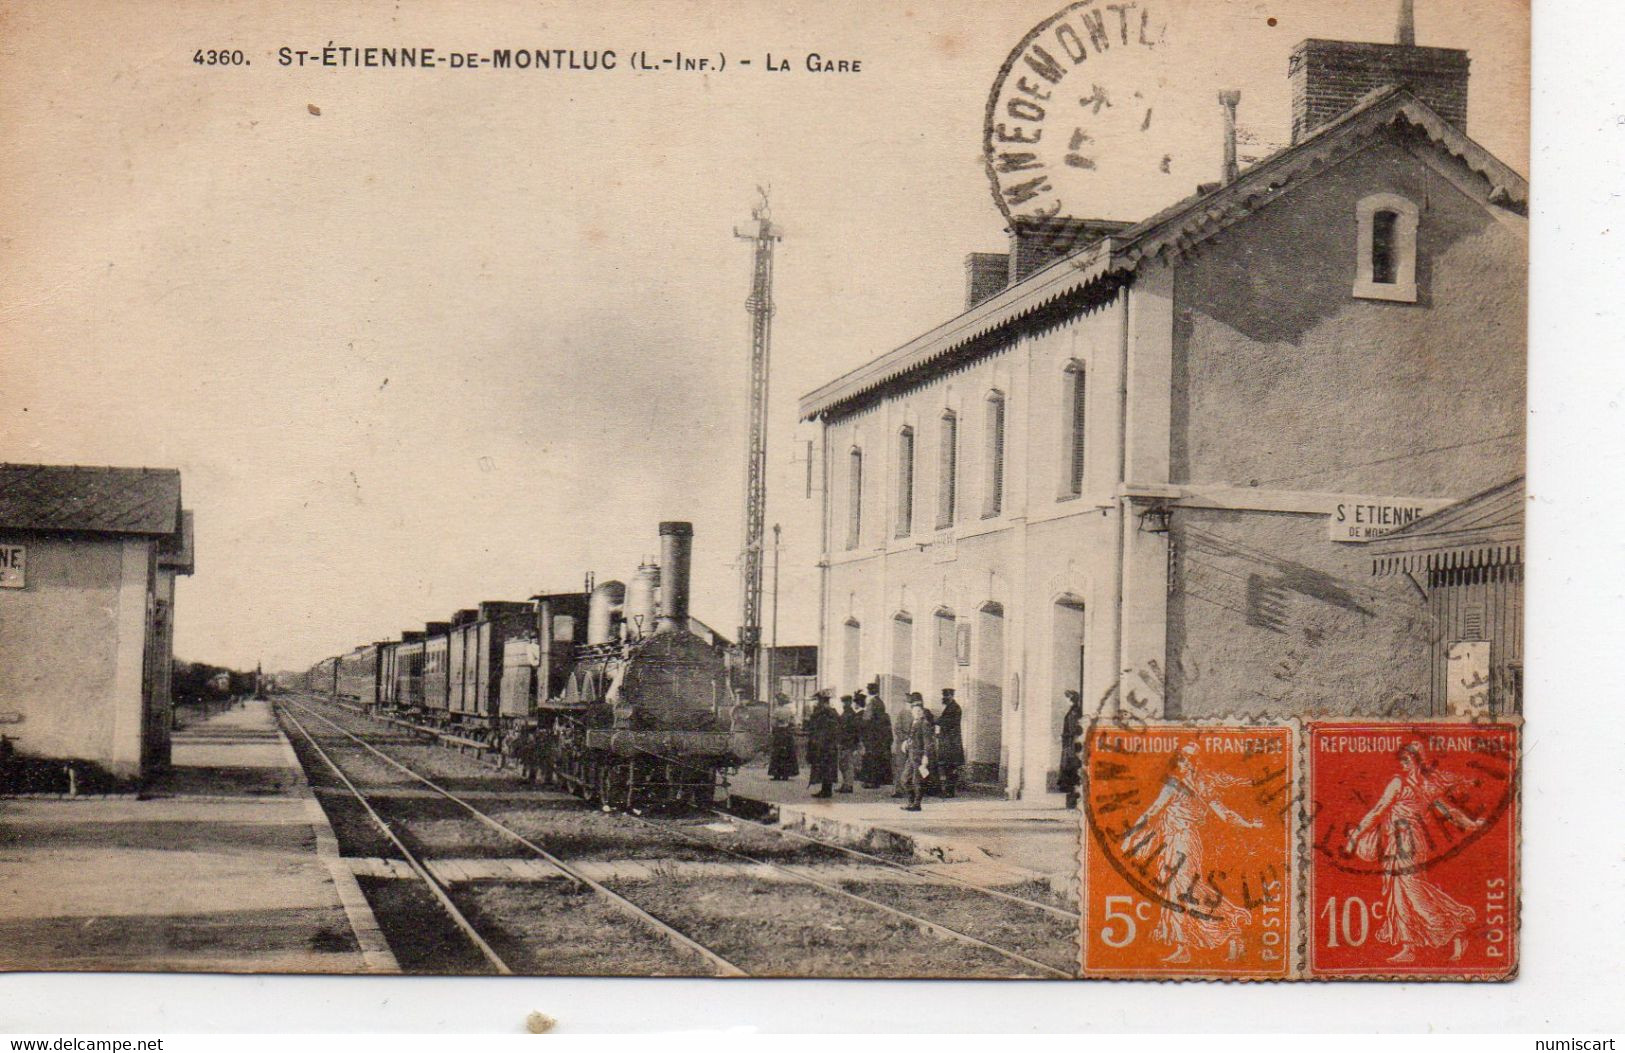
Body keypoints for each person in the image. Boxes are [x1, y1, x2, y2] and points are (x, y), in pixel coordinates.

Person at [1118, 743, 1261, 963]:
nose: (1180, 763)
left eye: (1184, 760)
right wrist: (1249, 824)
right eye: (1180, 759)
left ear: (1190, 762)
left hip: (1180, 843)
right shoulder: (1203, 787)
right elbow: (1225, 814)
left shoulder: (1175, 785)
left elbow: (1154, 811)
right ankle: (1221, 934)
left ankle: (1208, 938)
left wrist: (1132, 832)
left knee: (1179, 891)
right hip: (1185, 842)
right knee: (1185, 890)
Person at [1344, 742, 1482, 963]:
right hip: (1397, 844)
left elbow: (1448, 812)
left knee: (1415, 895)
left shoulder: (1411, 785)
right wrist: (1357, 834)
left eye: (1407, 760)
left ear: (1417, 761)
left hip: (1410, 844)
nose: (1404, 764)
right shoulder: (1415, 785)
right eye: (1402, 761)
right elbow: (1380, 810)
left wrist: (1471, 823)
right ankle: (1409, 948)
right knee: (1399, 896)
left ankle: (1456, 929)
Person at [804, 690, 841, 799]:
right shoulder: (833, 711)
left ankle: (826, 790)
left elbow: (815, 727)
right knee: (828, 767)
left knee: (824, 767)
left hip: (823, 744)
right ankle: (826, 789)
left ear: (821, 700)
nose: (817, 702)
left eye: (818, 700)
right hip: (830, 744)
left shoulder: (822, 712)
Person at [900, 695, 933, 811]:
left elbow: (928, 742)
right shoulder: (914, 722)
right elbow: (911, 737)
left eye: (919, 710)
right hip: (911, 756)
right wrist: (906, 742)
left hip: (919, 756)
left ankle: (916, 804)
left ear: (923, 712)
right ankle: (911, 802)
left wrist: (926, 757)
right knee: (904, 779)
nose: (917, 713)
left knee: (917, 781)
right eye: (915, 710)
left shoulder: (924, 724)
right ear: (912, 711)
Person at [934, 688, 965, 798]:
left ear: (951, 696)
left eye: (946, 696)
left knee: (951, 767)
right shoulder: (949, 707)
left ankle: (950, 791)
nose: (944, 698)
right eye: (944, 696)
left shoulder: (954, 708)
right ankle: (948, 790)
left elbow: (945, 722)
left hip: (952, 743)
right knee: (948, 767)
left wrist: (932, 719)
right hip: (948, 741)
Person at [859, 693, 893, 788]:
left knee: (873, 761)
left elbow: (866, 726)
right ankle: (878, 781)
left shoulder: (873, 719)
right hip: (880, 743)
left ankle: (873, 782)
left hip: (874, 742)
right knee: (877, 761)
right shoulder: (885, 716)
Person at [1059, 689, 1084, 809]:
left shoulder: (1074, 712)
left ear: (1071, 698)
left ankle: (1072, 802)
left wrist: (1065, 737)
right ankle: (1071, 802)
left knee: (1071, 770)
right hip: (1069, 744)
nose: (1066, 699)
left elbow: (1074, 729)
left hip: (1071, 745)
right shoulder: (1073, 711)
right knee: (1070, 771)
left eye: (1067, 697)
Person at [891, 692, 919, 798]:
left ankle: (910, 789)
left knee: (912, 766)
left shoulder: (916, 713)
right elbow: (897, 729)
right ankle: (898, 789)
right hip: (902, 744)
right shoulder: (902, 713)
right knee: (900, 766)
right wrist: (906, 738)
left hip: (912, 743)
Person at [767, 693, 799, 781]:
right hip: (787, 733)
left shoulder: (776, 711)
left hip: (779, 733)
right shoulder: (789, 711)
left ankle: (777, 774)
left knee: (778, 753)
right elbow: (793, 723)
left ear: (778, 701)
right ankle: (786, 774)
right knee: (787, 753)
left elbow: (773, 724)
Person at [837, 694, 864, 793]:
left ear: (849, 702)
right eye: (843, 702)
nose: (844, 704)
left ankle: (848, 785)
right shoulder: (846, 713)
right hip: (844, 741)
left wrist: (853, 742)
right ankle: (845, 784)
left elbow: (853, 730)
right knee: (843, 764)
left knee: (847, 764)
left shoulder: (850, 714)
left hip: (848, 742)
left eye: (845, 702)